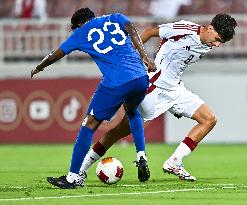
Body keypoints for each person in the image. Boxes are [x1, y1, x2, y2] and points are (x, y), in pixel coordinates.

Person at [79, 13, 237, 183]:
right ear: (210, 28)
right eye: (217, 38)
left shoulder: (208, 44)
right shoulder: (184, 29)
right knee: (119, 131)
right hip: (153, 85)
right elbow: (150, 32)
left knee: (209, 119)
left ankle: (174, 162)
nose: (217, 44)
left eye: (221, 42)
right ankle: (81, 169)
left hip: (176, 89)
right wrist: (134, 58)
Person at [31, 7, 156, 188]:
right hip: (140, 77)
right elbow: (131, 27)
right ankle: (141, 155)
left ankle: (73, 178)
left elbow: (56, 54)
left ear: (79, 24)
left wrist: (39, 67)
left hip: (117, 81)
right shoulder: (115, 17)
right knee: (132, 110)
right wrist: (144, 55)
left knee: (88, 124)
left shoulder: (81, 32)